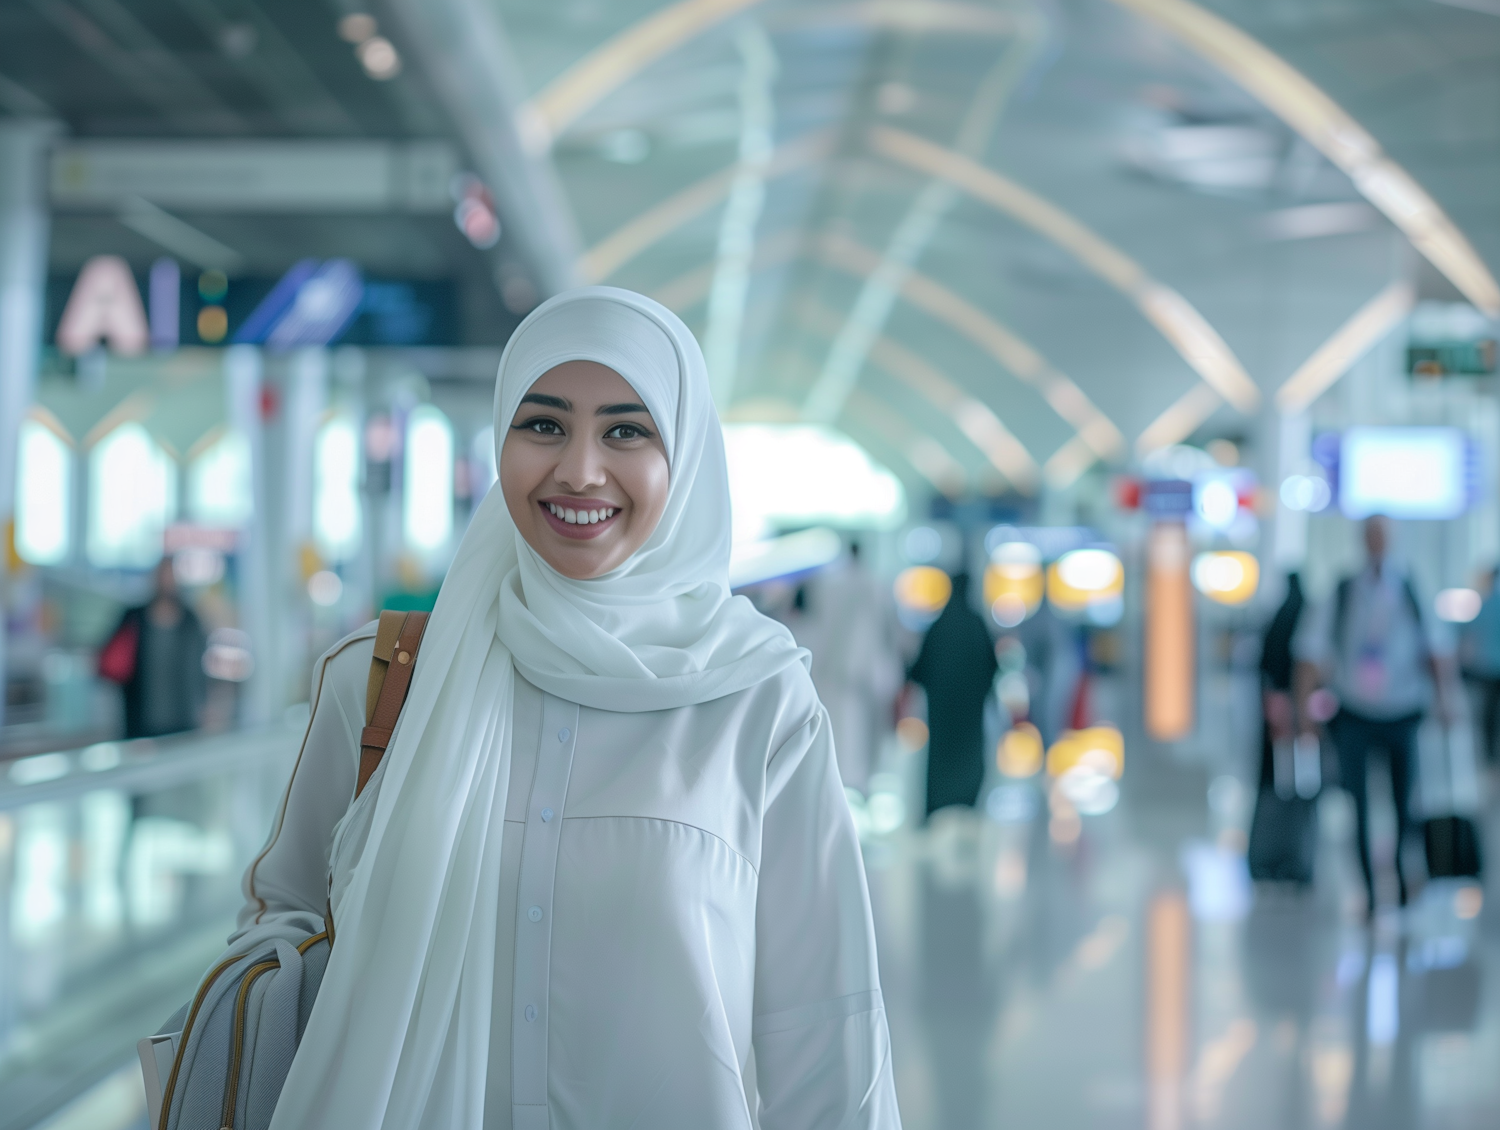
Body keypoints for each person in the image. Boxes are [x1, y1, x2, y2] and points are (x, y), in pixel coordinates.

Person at [221, 288, 899, 1129]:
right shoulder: (383, 680)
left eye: (626, 429)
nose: (579, 469)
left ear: (684, 458)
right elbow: (280, 924)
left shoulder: (756, 702)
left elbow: (824, 1028)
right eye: (542, 425)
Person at [1295, 516, 1451, 916]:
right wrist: (1304, 712)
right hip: (1354, 711)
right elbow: (1311, 651)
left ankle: (1401, 881)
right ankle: (1367, 888)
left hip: (1403, 709)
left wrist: (1445, 699)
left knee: (1405, 804)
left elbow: (1435, 648)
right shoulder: (1345, 589)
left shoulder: (1410, 588)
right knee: (1357, 804)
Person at [783, 542, 902, 794]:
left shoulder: (827, 584)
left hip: (829, 672)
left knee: (836, 735)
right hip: (859, 675)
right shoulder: (872, 585)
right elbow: (883, 633)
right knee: (856, 740)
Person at [908, 572, 998, 818]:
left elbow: (919, 669)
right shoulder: (977, 625)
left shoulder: (940, 625)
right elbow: (993, 668)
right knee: (968, 758)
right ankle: (968, 801)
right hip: (970, 715)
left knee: (941, 762)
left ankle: (939, 805)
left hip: (942, 715)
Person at [106, 556, 207, 739]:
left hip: (182, 720)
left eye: (171, 575)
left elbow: (200, 666)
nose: (167, 580)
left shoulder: (190, 621)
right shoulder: (134, 617)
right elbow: (111, 656)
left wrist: (205, 704)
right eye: (163, 574)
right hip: (141, 719)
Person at [1460, 566, 1500, 765]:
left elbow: (1469, 636)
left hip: (1487, 669)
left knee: (1489, 716)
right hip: (1489, 667)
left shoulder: (1485, 603)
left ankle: (1491, 758)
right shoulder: (1486, 603)